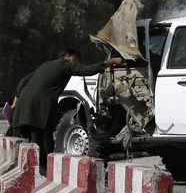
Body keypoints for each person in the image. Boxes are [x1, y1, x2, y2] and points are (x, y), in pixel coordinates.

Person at [12, 46, 122, 175]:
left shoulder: (47, 64)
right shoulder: (67, 65)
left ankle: (25, 171)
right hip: (40, 107)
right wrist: (112, 61)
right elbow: (87, 70)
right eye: (76, 59)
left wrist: (15, 101)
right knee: (42, 141)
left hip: (23, 105)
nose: (77, 62)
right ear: (68, 56)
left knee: (23, 140)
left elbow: (23, 81)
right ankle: (46, 173)